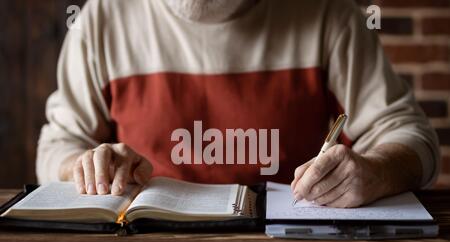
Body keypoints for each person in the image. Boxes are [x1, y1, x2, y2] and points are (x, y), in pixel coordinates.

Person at [37, 0, 440, 208]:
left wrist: (378, 170)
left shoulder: (330, 13)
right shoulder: (102, 18)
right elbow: (55, 148)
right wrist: (85, 165)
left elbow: (411, 134)